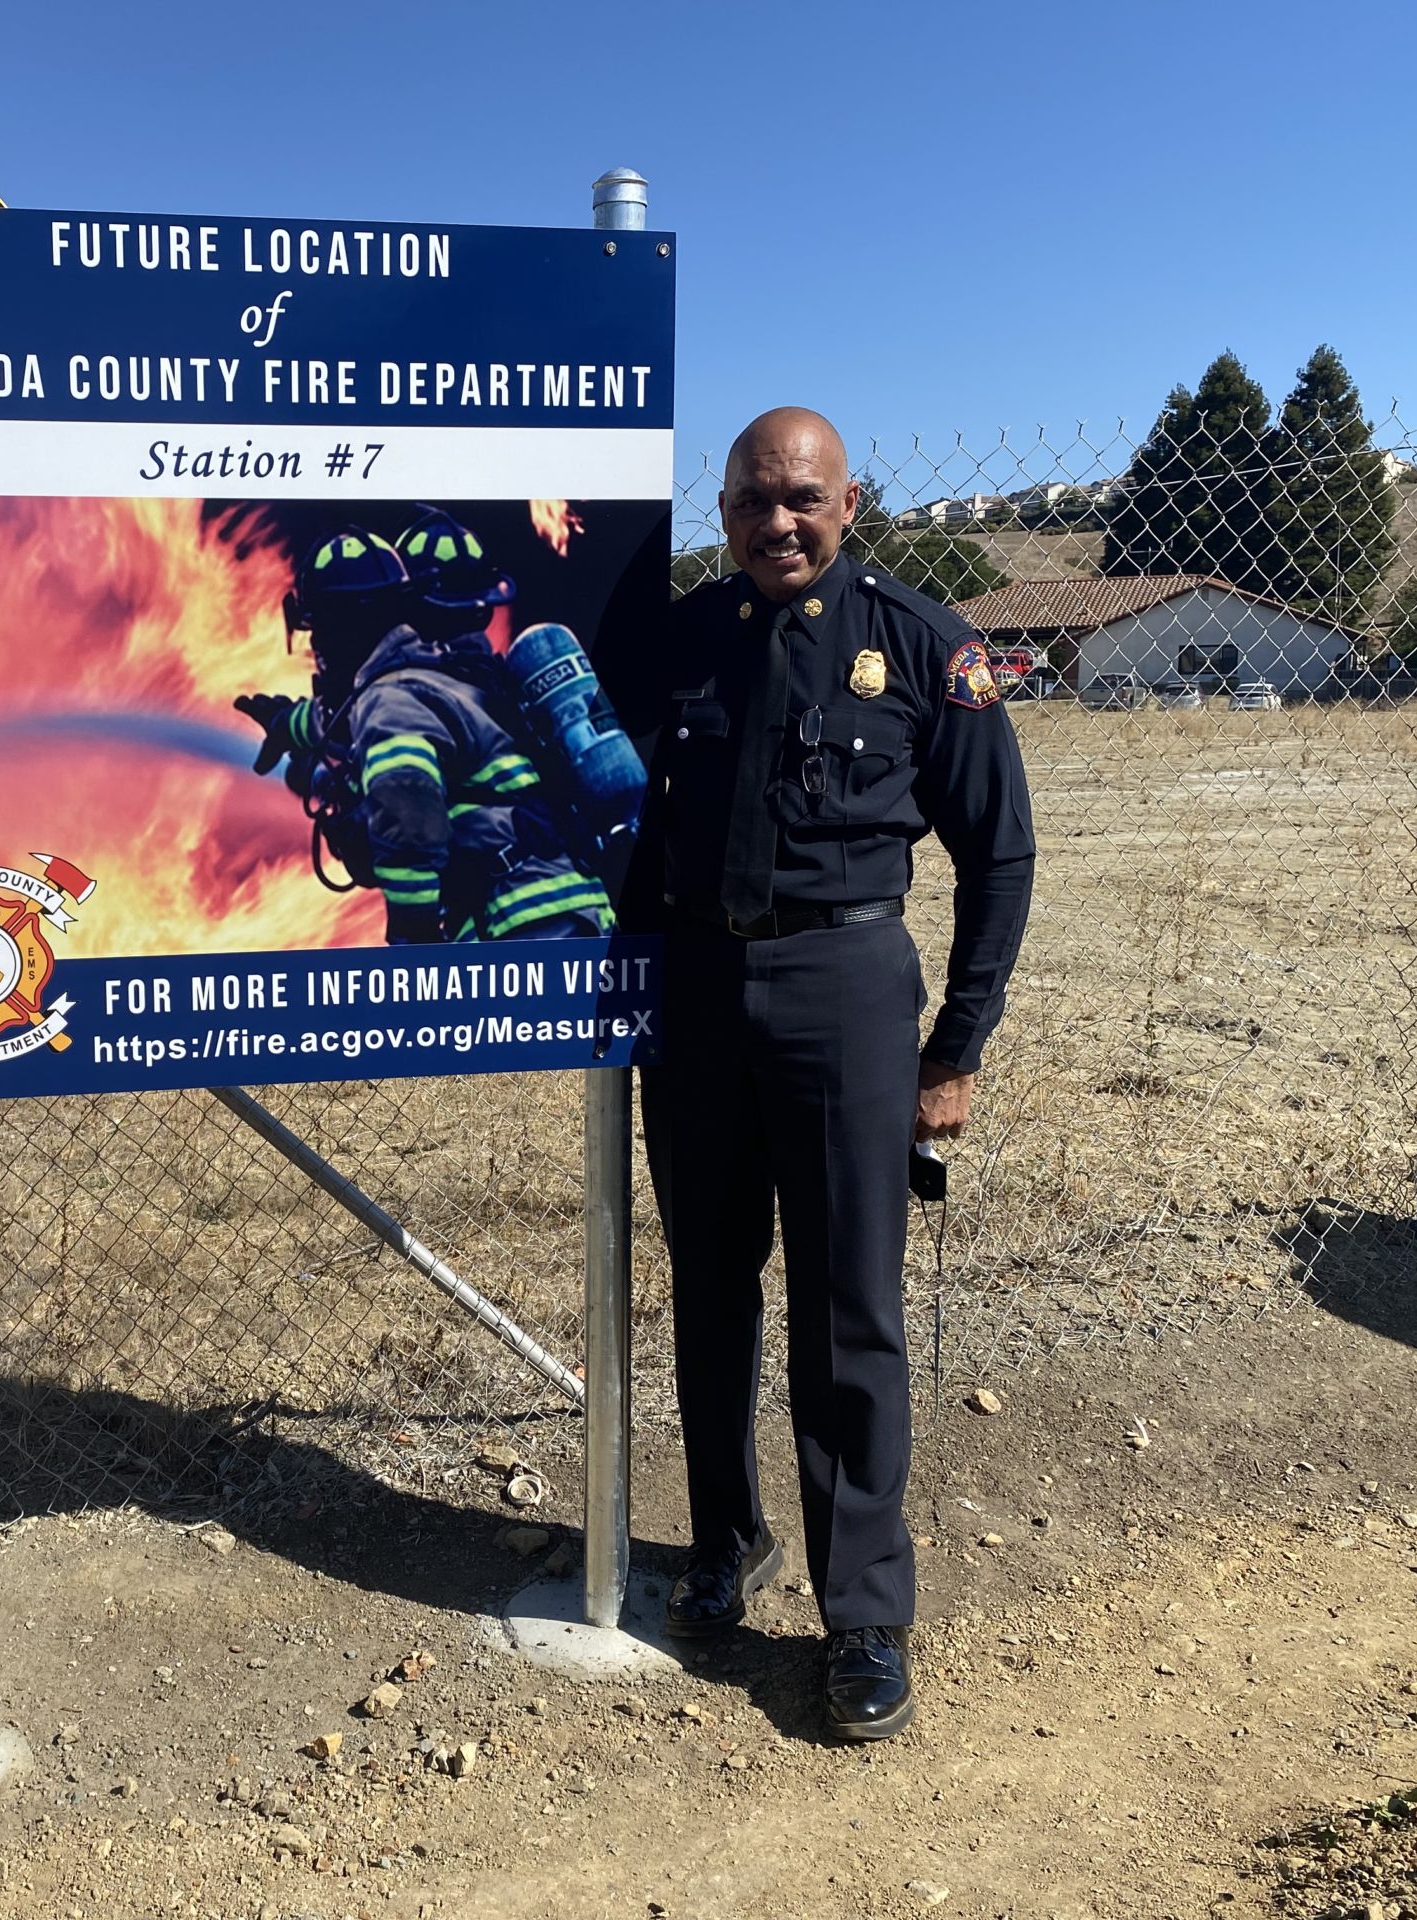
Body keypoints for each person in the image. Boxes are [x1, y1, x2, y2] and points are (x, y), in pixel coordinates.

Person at [635, 409, 1034, 1740]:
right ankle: (724, 1543)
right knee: (707, 1289)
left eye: (801, 498)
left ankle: (863, 1612)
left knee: (848, 1311)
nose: (776, 523)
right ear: (726, 510)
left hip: (846, 997)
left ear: (849, 502)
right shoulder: (682, 641)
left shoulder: (924, 647)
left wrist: (955, 1049)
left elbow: (1001, 857)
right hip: (695, 995)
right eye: (752, 501)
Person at [235, 517, 615, 943]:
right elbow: (345, 722)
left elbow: (408, 823)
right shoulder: (448, 680)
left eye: (319, 630)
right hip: (570, 910)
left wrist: (412, 940)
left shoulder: (392, 698)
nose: (317, 647)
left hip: (524, 923)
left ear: (341, 627)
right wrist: (289, 724)